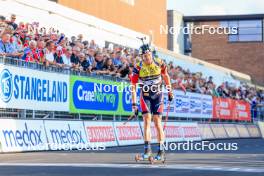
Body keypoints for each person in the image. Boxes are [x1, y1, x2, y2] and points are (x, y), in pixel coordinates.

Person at [130, 44, 174, 161]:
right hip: (145, 96)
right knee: (147, 120)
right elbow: (133, 87)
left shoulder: (159, 62)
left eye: (148, 55)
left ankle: (161, 151)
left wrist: (170, 92)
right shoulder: (138, 68)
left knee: (157, 122)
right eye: (144, 56)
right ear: (141, 57)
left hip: (158, 95)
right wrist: (134, 104)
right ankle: (147, 150)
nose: (147, 58)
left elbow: (166, 76)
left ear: (151, 54)